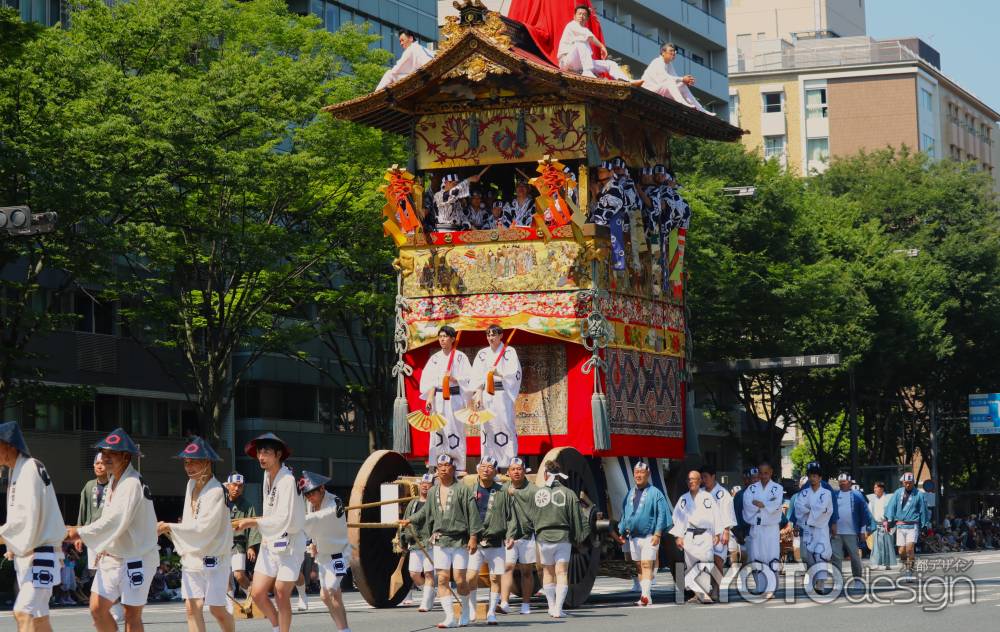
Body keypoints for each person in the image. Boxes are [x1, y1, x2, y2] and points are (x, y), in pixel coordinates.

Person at [67, 428, 159, 632]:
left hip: (137, 557)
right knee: (97, 608)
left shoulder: (132, 483)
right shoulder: (114, 480)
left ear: (126, 457)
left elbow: (114, 521)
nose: (105, 458)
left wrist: (79, 532)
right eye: (103, 453)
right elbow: (109, 521)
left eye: (112, 454)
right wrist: (102, 545)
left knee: (131, 615)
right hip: (114, 555)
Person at [157, 437, 235, 632]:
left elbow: (204, 529)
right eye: (186, 462)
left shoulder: (217, 490)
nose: (188, 467)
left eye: (193, 462)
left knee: (217, 609)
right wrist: (174, 531)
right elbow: (189, 520)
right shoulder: (191, 484)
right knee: (192, 608)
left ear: (207, 462)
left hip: (214, 556)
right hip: (193, 555)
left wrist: (169, 527)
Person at [233, 433, 306, 632]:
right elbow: (269, 511)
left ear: (278, 454)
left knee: (281, 592)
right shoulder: (267, 475)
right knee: (257, 593)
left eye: (266, 452)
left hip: (290, 543)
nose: (261, 456)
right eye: (259, 452)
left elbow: (283, 518)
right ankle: (276, 628)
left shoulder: (287, 480)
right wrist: (260, 530)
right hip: (270, 540)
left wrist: (252, 522)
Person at [400, 454, 483, 629]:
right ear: (436, 470)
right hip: (440, 540)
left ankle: (465, 611)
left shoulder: (463, 490)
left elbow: (473, 514)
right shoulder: (432, 491)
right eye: (440, 466)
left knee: (459, 579)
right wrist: (410, 519)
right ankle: (450, 617)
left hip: (460, 540)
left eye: (447, 465)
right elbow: (425, 512)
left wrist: (474, 537)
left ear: (453, 468)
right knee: (443, 579)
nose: (443, 468)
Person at [0, 422, 64, 632]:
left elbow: (26, 517)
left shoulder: (29, 468)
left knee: (23, 611)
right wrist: (12, 545)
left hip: (41, 554)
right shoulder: (17, 470)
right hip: (33, 555)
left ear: (9, 445)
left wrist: (4, 536)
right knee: (39, 619)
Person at [533, 460, 589, 618]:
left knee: (548, 571)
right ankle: (558, 609)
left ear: (545, 474)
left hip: (543, 538)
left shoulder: (537, 493)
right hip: (563, 538)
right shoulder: (569, 493)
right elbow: (577, 517)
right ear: (559, 475)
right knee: (562, 572)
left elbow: (531, 516)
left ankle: (551, 607)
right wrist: (579, 537)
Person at [299, 471, 351, 632]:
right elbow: (315, 527)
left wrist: (296, 521)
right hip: (322, 555)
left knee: (329, 592)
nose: (309, 498)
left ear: (322, 488)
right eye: (306, 495)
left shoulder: (335, 501)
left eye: (311, 493)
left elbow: (321, 519)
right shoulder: (310, 503)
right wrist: (313, 542)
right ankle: (343, 628)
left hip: (338, 554)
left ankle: (344, 629)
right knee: (330, 596)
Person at [615, 462, 671, 607]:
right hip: (633, 537)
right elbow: (625, 514)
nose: (638, 475)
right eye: (636, 473)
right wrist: (622, 532)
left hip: (649, 536)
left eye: (641, 472)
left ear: (648, 474)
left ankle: (645, 595)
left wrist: (657, 533)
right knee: (639, 566)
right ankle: (645, 596)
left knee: (646, 564)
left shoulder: (655, 493)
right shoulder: (630, 493)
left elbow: (662, 514)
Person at [419, 326, 474, 472]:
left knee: (455, 429)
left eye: (445, 336)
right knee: (438, 430)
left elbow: (469, 379)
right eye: (440, 336)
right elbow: (430, 381)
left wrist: (454, 378)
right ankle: (438, 466)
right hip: (438, 398)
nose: (442, 339)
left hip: (454, 398)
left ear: (453, 339)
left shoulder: (460, 357)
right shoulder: (435, 358)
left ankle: (458, 466)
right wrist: (429, 397)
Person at [467, 457, 513, 625]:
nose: (486, 470)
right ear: (478, 469)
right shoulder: (469, 490)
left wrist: (510, 535)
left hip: (496, 540)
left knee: (495, 578)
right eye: (483, 466)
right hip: (475, 540)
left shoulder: (502, 491)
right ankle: (472, 608)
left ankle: (492, 612)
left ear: (495, 471)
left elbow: (511, 516)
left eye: (490, 467)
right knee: (471, 576)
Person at [471, 324, 522, 468]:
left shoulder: (509, 352)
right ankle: (488, 464)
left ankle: (509, 463)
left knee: (505, 424)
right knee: (487, 427)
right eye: (488, 335)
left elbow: (515, 373)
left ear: (501, 336)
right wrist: (478, 393)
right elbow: (476, 376)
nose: (490, 338)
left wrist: (499, 373)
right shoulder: (482, 354)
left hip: (503, 394)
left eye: (493, 334)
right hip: (486, 394)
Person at [669, 470, 722, 604]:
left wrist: (717, 533)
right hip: (689, 535)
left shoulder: (708, 497)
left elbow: (716, 515)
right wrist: (678, 536)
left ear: (699, 481)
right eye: (689, 479)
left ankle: (703, 592)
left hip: (705, 535)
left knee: (706, 562)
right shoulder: (683, 499)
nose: (691, 482)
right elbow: (677, 519)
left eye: (694, 479)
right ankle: (698, 593)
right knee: (691, 566)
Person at [499, 457, 537, 615]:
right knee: (507, 567)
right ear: (508, 472)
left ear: (524, 471)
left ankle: (526, 604)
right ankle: (504, 602)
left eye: (519, 469)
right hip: (509, 536)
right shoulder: (503, 489)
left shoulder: (532, 490)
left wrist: (516, 494)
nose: (516, 472)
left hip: (527, 534)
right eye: (513, 469)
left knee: (526, 571)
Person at [740, 462, 783, 599]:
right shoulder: (751, 488)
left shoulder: (777, 488)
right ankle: (760, 587)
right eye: (761, 473)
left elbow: (776, 505)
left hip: (771, 528)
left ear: (771, 473)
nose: (763, 476)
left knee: (771, 556)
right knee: (757, 556)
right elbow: (748, 505)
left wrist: (761, 504)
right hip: (757, 527)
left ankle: (771, 589)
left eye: (766, 473)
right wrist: (764, 505)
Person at [557, 5, 629, 80]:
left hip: (580, 64)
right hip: (566, 62)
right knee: (580, 41)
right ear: (574, 16)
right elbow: (589, 36)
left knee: (611, 64)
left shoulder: (584, 30)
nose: (581, 16)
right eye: (579, 14)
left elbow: (588, 35)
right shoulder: (572, 25)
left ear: (587, 18)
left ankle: (625, 80)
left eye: (584, 14)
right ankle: (587, 71)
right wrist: (602, 46)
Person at [794, 462, 834, 591]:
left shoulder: (826, 493)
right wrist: (813, 510)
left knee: (821, 555)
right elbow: (799, 507)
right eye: (810, 476)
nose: (812, 479)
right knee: (808, 556)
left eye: (815, 476)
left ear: (820, 478)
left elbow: (824, 509)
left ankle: (820, 583)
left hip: (821, 528)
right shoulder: (804, 492)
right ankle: (812, 578)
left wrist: (809, 510)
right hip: (807, 528)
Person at [640, 43, 713, 114]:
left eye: (674, 51)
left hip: (659, 89)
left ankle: (700, 109)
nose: (673, 53)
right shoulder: (657, 61)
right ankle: (682, 103)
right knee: (670, 82)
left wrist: (685, 81)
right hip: (649, 89)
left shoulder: (669, 64)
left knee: (682, 85)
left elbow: (676, 80)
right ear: (663, 52)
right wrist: (683, 79)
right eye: (671, 51)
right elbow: (665, 78)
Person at [885, 472, 930, 581]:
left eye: (910, 482)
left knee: (910, 549)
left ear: (913, 482)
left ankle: (909, 571)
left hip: (912, 525)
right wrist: (890, 520)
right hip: (900, 525)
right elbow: (891, 506)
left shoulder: (919, 495)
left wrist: (924, 525)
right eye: (906, 482)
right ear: (903, 482)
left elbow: (923, 510)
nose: (908, 484)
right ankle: (906, 567)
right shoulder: (897, 493)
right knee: (901, 552)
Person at [701, 465, 736, 601]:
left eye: (706, 477)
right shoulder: (701, 492)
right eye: (702, 477)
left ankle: (716, 589)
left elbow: (727, 513)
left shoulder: (722, 493)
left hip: (720, 531)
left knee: (717, 561)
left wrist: (726, 531)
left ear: (713, 476)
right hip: (704, 532)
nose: (704, 480)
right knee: (704, 562)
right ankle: (704, 590)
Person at [832, 472, 872, 588]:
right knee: (836, 557)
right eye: (840, 482)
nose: (842, 484)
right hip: (836, 532)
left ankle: (858, 580)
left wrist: (863, 530)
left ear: (850, 483)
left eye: (844, 482)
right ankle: (838, 581)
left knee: (854, 557)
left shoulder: (857, 495)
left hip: (852, 532)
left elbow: (864, 513)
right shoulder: (834, 495)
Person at [402, 473, 436, 612]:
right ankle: (430, 593)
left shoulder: (435, 503)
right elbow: (405, 520)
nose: (425, 486)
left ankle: (425, 602)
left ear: (433, 487)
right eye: (423, 483)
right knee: (414, 574)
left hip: (430, 542)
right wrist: (403, 539)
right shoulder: (413, 503)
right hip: (415, 542)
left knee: (428, 573)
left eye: (428, 484)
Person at [224, 473, 259, 598]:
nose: (237, 488)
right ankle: (230, 606)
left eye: (240, 486)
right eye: (234, 485)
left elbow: (253, 525)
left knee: (239, 575)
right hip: (221, 544)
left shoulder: (248, 505)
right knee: (225, 577)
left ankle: (254, 598)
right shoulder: (220, 502)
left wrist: (251, 547)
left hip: (238, 544)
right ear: (228, 486)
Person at [78, 454, 110, 581]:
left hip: (108, 534)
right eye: (97, 463)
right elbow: (82, 511)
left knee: (108, 568)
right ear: (93, 465)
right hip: (91, 533)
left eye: (103, 464)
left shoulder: (114, 485)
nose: (100, 467)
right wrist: (79, 535)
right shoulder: (89, 486)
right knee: (94, 570)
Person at [868, 481, 897, 570]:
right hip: (876, 524)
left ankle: (887, 563)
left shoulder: (888, 498)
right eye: (874, 488)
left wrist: (890, 522)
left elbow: (893, 511)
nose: (874, 489)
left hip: (886, 524)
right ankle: (875, 563)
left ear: (881, 489)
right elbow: (869, 513)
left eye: (876, 487)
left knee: (887, 544)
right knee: (876, 546)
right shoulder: (872, 499)